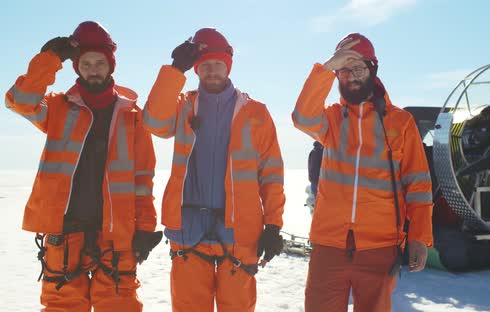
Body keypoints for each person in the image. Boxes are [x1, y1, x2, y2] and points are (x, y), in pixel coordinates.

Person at [4, 21, 161, 311]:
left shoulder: (132, 116)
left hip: (115, 235)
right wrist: (49, 60)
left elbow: (143, 177)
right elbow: (19, 102)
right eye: (85, 63)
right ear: (77, 68)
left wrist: (146, 227)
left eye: (99, 63)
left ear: (110, 66)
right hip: (64, 232)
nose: (93, 69)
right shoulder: (59, 107)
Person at [142, 28, 285, 312]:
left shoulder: (256, 113)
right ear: (195, 69)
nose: (212, 71)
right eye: (204, 65)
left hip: (240, 231)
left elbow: (271, 173)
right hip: (188, 228)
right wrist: (173, 72)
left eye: (218, 64)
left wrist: (273, 224)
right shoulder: (183, 106)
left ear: (228, 66)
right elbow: (153, 122)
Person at [292, 33, 433, 311]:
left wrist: (419, 237)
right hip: (328, 245)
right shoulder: (331, 119)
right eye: (344, 70)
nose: (352, 77)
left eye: (358, 68)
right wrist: (328, 66)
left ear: (373, 70)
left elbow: (418, 185)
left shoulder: (401, 122)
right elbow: (302, 117)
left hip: (379, 248)